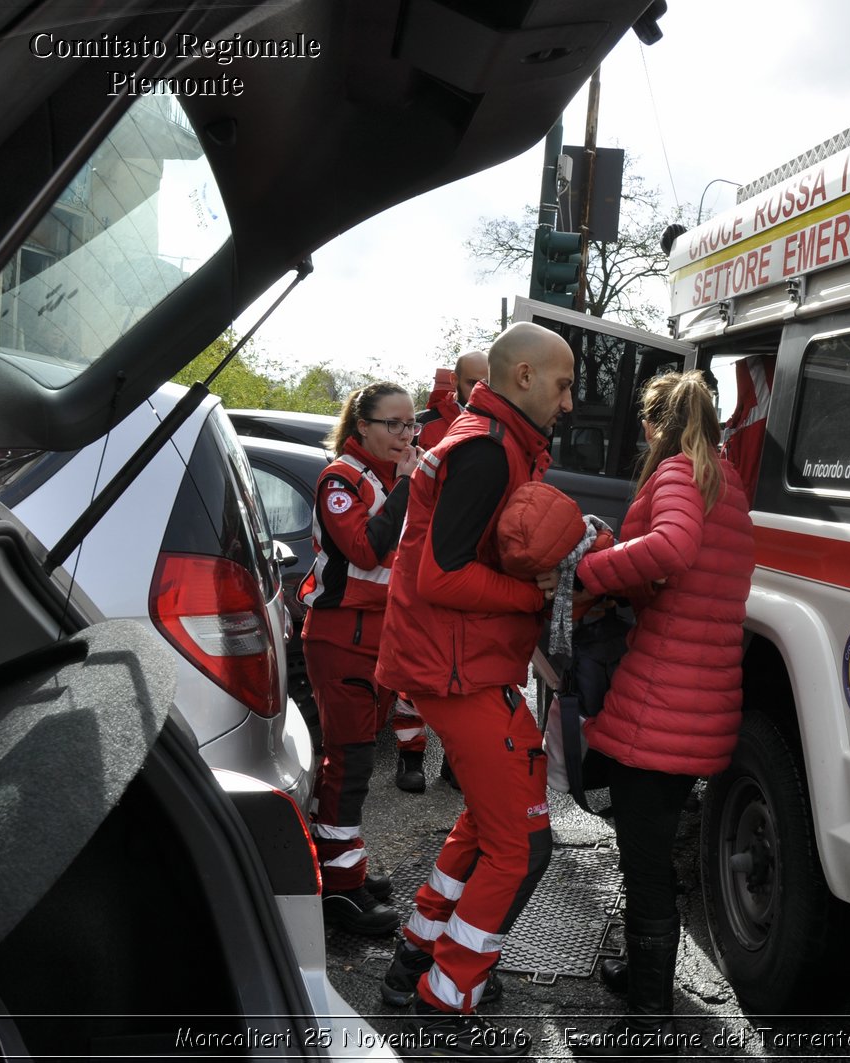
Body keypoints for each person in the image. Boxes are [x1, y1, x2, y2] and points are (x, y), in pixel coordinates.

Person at [375, 322, 575, 1060]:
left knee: (492, 826)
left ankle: (415, 963)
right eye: (563, 383)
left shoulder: (494, 437)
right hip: (459, 671)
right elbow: (441, 575)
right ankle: (445, 998)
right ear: (523, 375)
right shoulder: (489, 449)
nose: (571, 399)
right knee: (523, 847)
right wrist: (533, 593)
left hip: (462, 668)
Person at [565, 371, 754, 1057]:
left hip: (661, 703)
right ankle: (638, 973)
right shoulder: (725, 483)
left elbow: (672, 549)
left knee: (644, 861)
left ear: (653, 423)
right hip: (700, 697)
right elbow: (690, 575)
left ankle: (648, 1019)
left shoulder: (678, 472)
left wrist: (591, 573)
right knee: (649, 846)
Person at [298, 382, 420, 935]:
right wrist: (409, 487)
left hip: (378, 639)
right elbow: (366, 549)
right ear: (362, 425)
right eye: (393, 424)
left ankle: (344, 865)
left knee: (359, 762)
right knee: (346, 766)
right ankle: (339, 892)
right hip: (339, 637)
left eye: (410, 424)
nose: (404, 434)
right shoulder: (340, 479)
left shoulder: (392, 478)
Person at [399, 347, 490, 794]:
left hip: (463, 564)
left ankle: (455, 763)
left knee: (458, 676)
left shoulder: (494, 430)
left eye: (487, 381)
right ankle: (409, 758)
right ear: (457, 384)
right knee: (415, 677)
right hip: (423, 561)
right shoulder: (426, 427)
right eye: (474, 382)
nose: (481, 390)